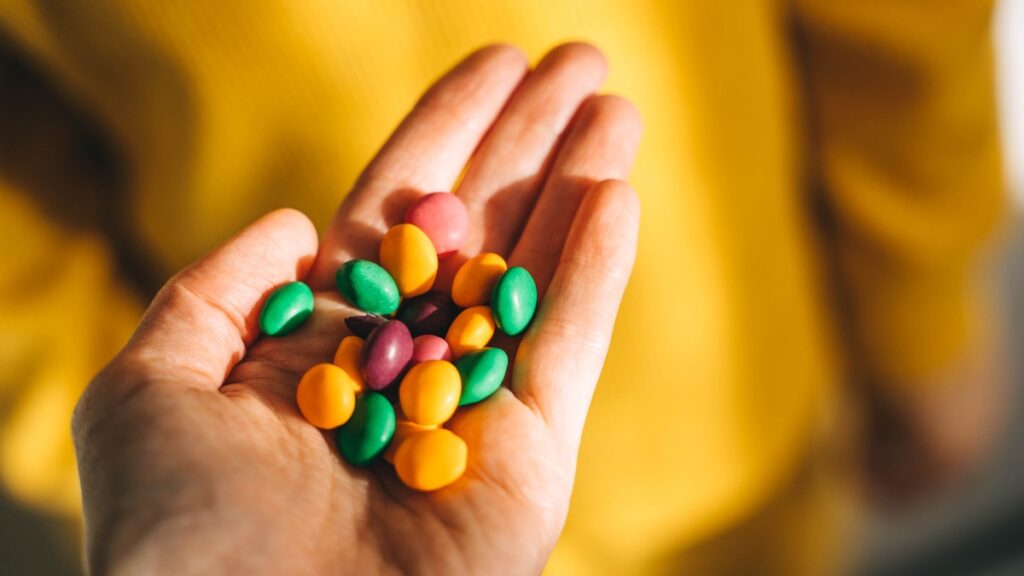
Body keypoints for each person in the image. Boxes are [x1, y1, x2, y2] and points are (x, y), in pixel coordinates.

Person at [0, 2, 1006, 574]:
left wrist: (918, 303)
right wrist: (135, 433)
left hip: (745, 415)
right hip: (311, 475)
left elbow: (897, 28)